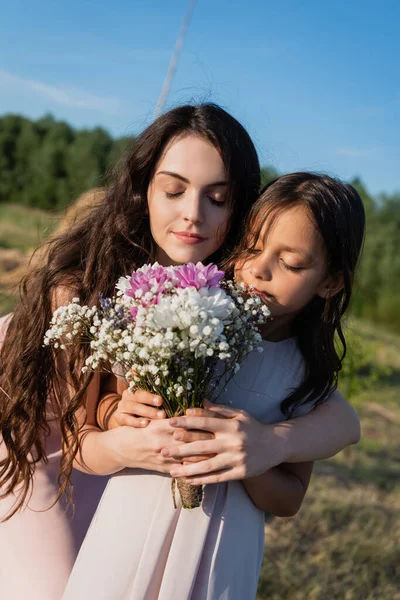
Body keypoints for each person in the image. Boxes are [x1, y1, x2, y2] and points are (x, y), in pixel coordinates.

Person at [62, 172, 364, 600]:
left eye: (292, 263)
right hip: (129, 525)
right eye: (253, 248)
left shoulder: (304, 376)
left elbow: (289, 499)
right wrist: (116, 410)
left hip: (222, 549)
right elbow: (99, 421)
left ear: (331, 282)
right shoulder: (184, 319)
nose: (258, 269)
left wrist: (254, 455)